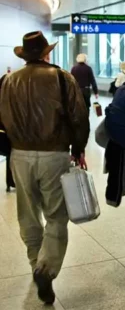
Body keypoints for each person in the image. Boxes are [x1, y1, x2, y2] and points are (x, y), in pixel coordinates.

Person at [0, 31, 89, 305]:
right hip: (54, 155)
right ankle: (46, 269)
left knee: (27, 214)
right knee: (56, 215)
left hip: (20, 155)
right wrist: (79, 149)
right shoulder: (62, 78)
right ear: (46, 53)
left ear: (24, 55)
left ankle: (35, 265)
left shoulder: (8, 81)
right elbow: (78, 116)